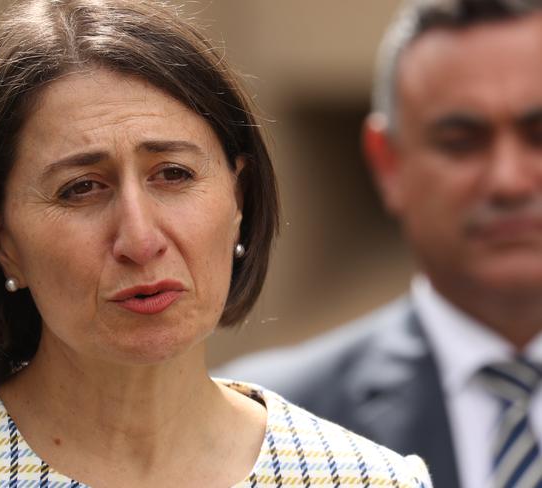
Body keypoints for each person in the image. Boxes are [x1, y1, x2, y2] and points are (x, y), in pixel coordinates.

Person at [0, 1, 432, 487]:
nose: (141, 239)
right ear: (0, 238)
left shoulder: (365, 479)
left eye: (172, 174)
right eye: (81, 188)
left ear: (238, 201)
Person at [217, 0, 542, 487]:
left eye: (539, 135)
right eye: (461, 140)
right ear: (387, 163)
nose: (508, 180)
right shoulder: (263, 424)